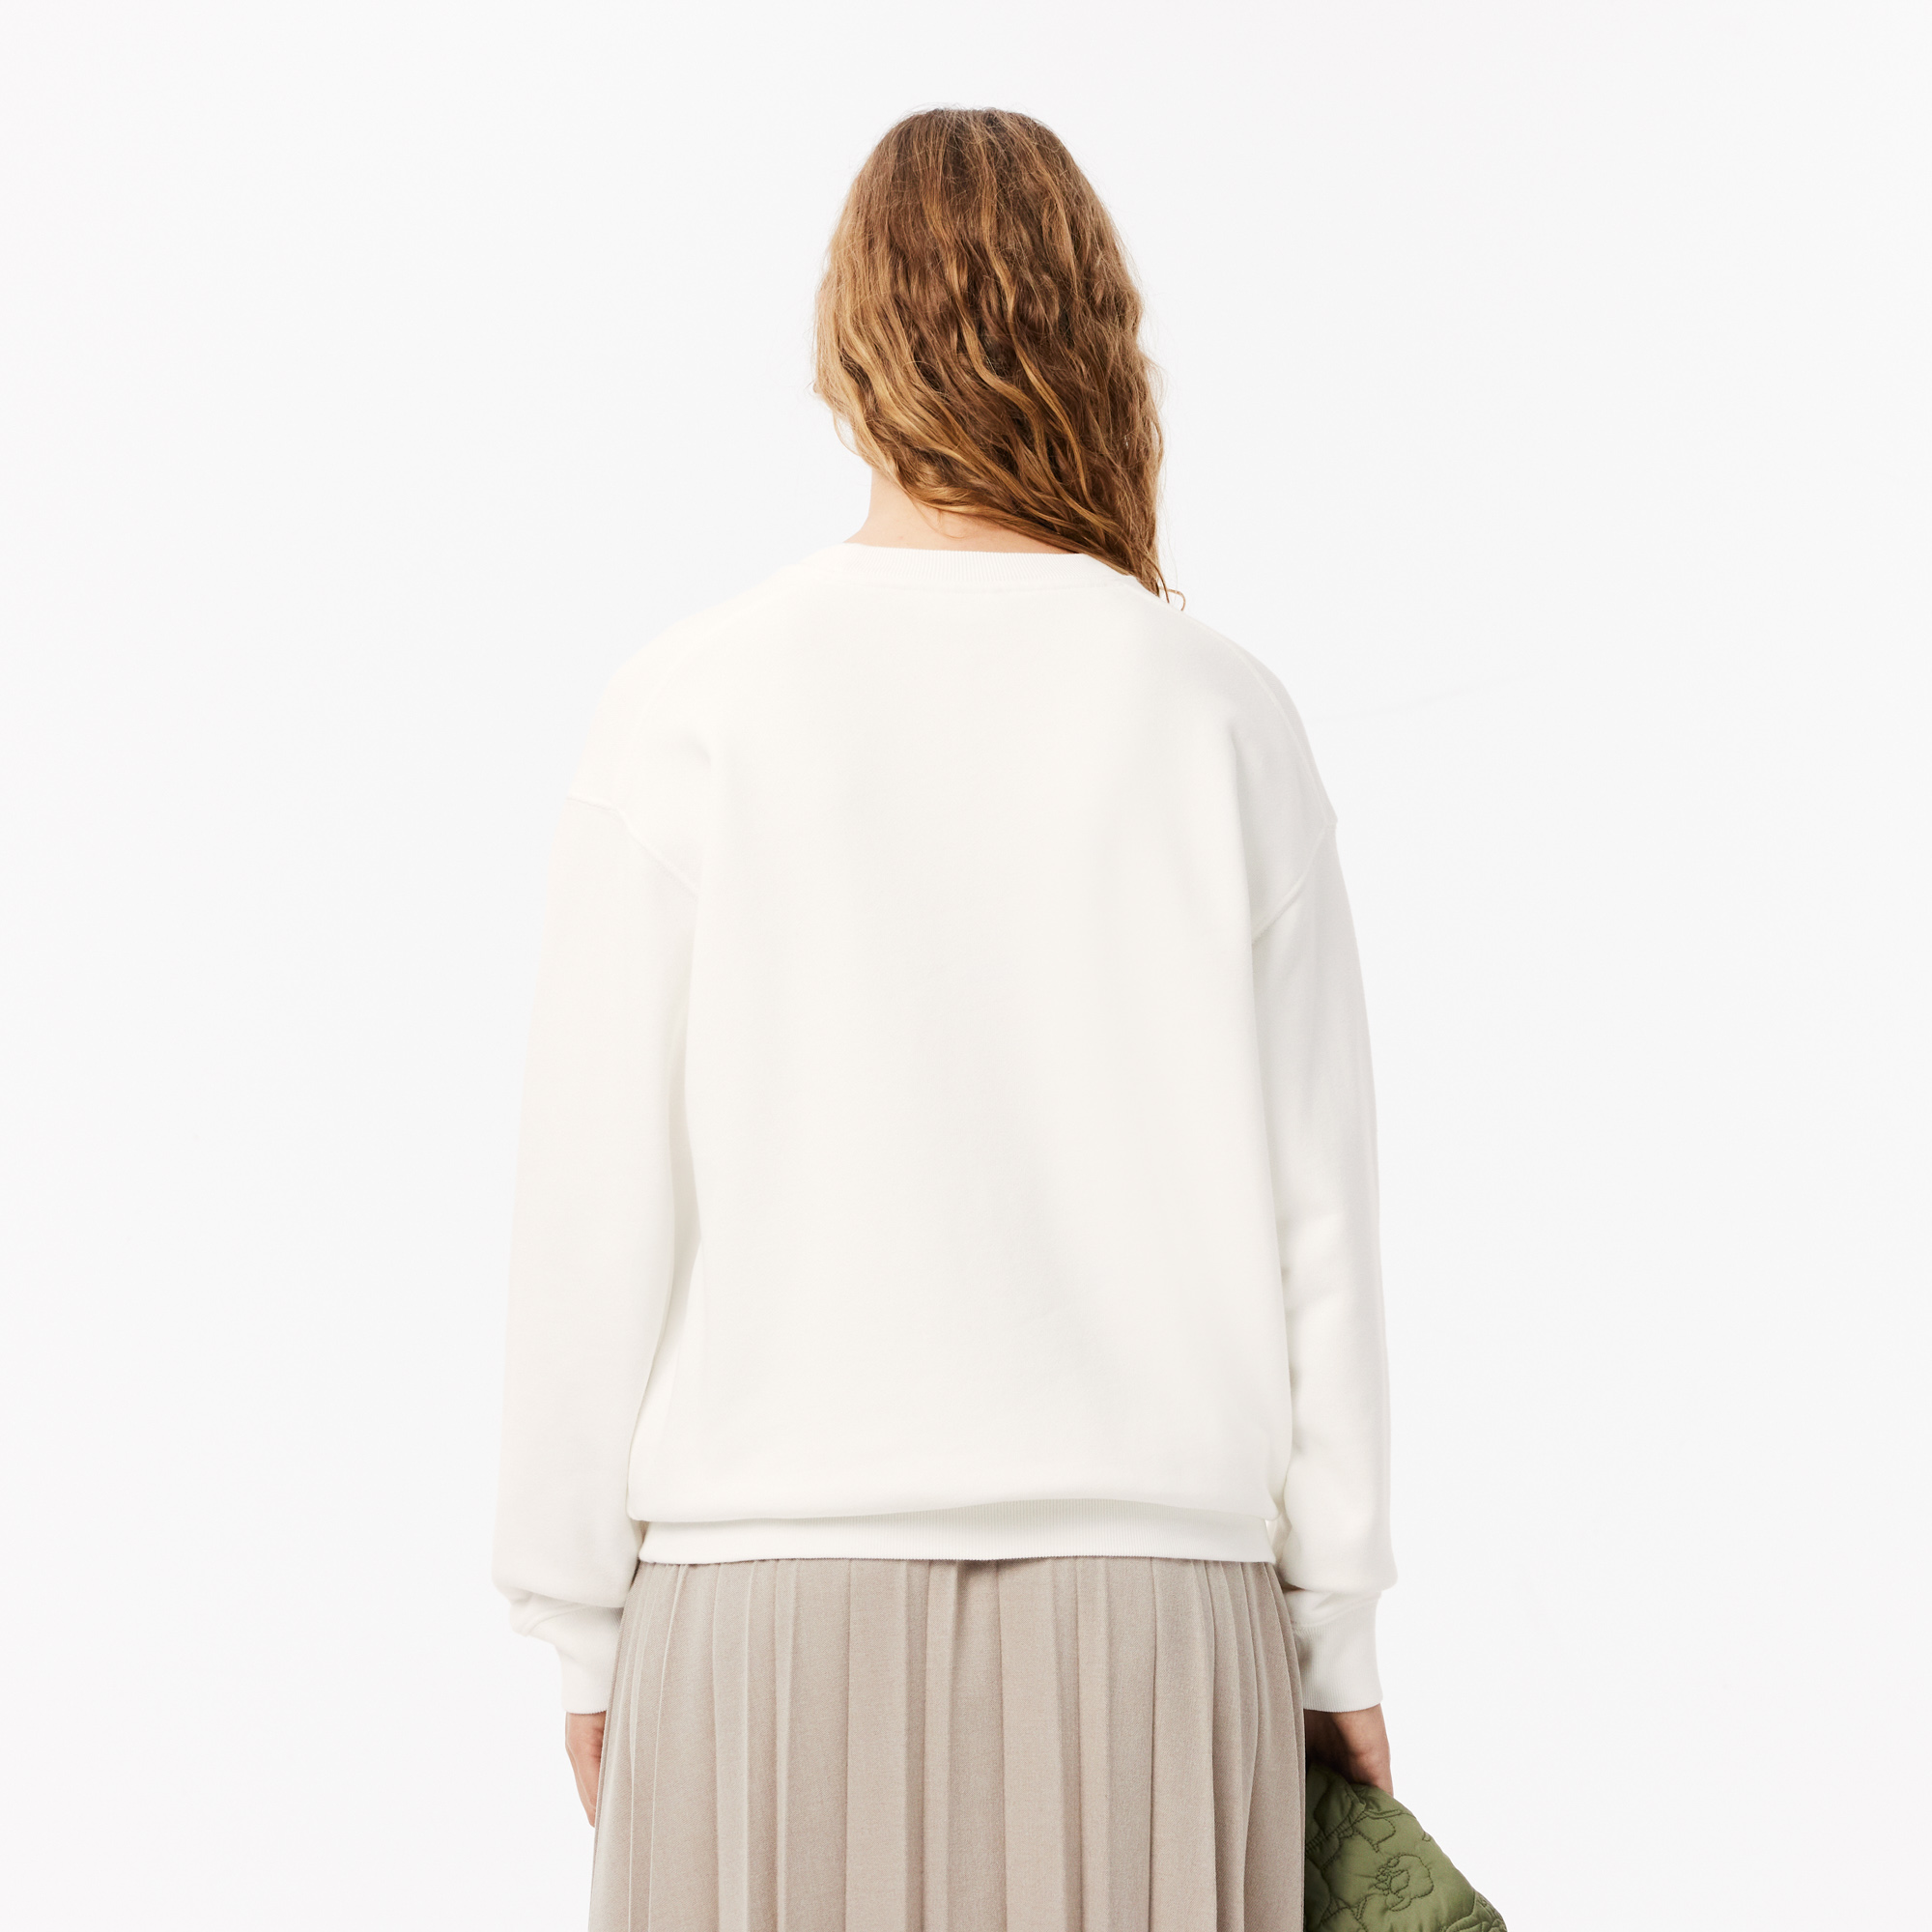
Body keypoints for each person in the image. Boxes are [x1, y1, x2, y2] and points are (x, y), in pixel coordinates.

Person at [493, 106, 1396, 1931]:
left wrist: (580, 1625)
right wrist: (1337, 1634)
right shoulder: (1222, 716)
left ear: (848, 346)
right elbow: (1323, 1219)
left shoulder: (692, 704)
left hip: (760, 1614)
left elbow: (592, 1209)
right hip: (1158, 1624)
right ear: (1099, 336)